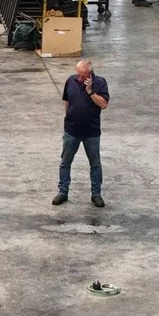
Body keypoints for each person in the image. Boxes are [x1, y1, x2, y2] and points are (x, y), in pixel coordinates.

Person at [53, 57, 109, 208]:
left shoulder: (100, 83)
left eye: (82, 75)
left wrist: (90, 92)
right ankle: (63, 192)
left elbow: (103, 104)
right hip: (72, 130)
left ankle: (96, 194)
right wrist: (68, 117)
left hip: (91, 131)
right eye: (77, 73)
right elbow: (67, 100)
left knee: (95, 164)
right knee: (65, 162)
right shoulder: (70, 81)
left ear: (89, 75)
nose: (78, 77)